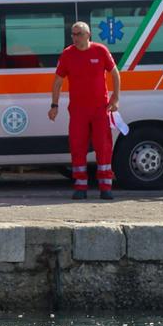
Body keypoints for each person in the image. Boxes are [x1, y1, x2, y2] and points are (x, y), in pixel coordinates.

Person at [49, 21, 121, 200]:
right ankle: (80, 186)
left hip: (99, 109)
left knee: (103, 147)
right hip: (78, 110)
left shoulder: (100, 50)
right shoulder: (67, 54)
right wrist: (54, 105)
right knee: (77, 147)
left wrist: (116, 97)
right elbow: (58, 81)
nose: (74, 37)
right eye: (73, 34)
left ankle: (105, 187)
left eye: (78, 34)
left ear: (88, 35)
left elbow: (115, 73)